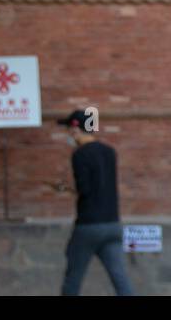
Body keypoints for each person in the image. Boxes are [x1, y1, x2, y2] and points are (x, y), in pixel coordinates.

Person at [56, 108, 134, 296]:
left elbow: (85, 189)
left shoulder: (80, 155)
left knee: (73, 278)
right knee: (120, 279)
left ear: (75, 130)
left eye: (69, 130)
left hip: (88, 226)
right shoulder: (109, 152)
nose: (69, 135)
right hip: (112, 223)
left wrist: (66, 189)